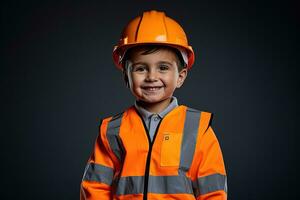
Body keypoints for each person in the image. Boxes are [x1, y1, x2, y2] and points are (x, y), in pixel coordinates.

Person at [80, 10, 227, 200]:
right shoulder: (112, 130)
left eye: (163, 68)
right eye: (141, 68)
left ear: (180, 76)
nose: (151, 77)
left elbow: (213, 192)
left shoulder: (198, 128)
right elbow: (95, 187)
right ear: (126, 75)